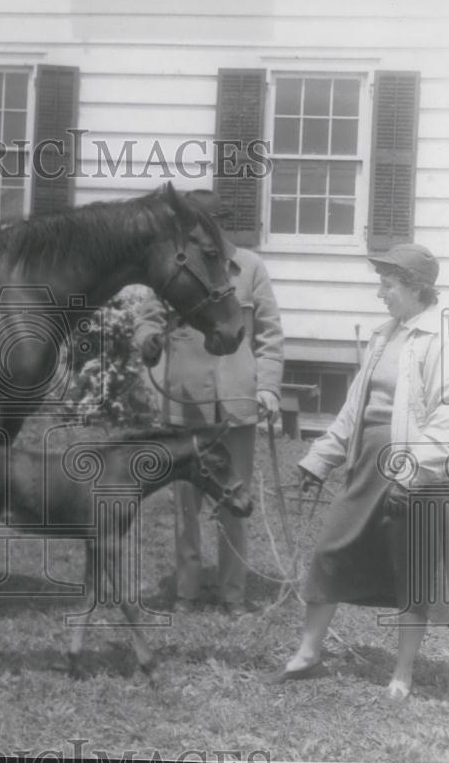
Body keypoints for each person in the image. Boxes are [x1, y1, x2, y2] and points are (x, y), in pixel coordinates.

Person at [266, 243, 449, 699]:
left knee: (412, 571)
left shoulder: (444, 337)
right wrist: (320, 457)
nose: (380, 293)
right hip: (367, 462)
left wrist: (413, 468)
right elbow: (354, 408)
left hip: (419, 469)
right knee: (330, 550)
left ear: (416, 289)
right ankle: (308, 653)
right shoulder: (384, 334)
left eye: (388, 285)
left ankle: (402, 674)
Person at [135, 224, 283, 618]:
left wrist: (267, 387)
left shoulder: (250, 267)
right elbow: (148, 320)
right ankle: (186, 592)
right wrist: (148, 341)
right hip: (187, 404)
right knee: (187, 505)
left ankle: (232, 595)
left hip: (237, 401)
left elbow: (269, 335)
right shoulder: (172, 269)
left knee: (235, 501)